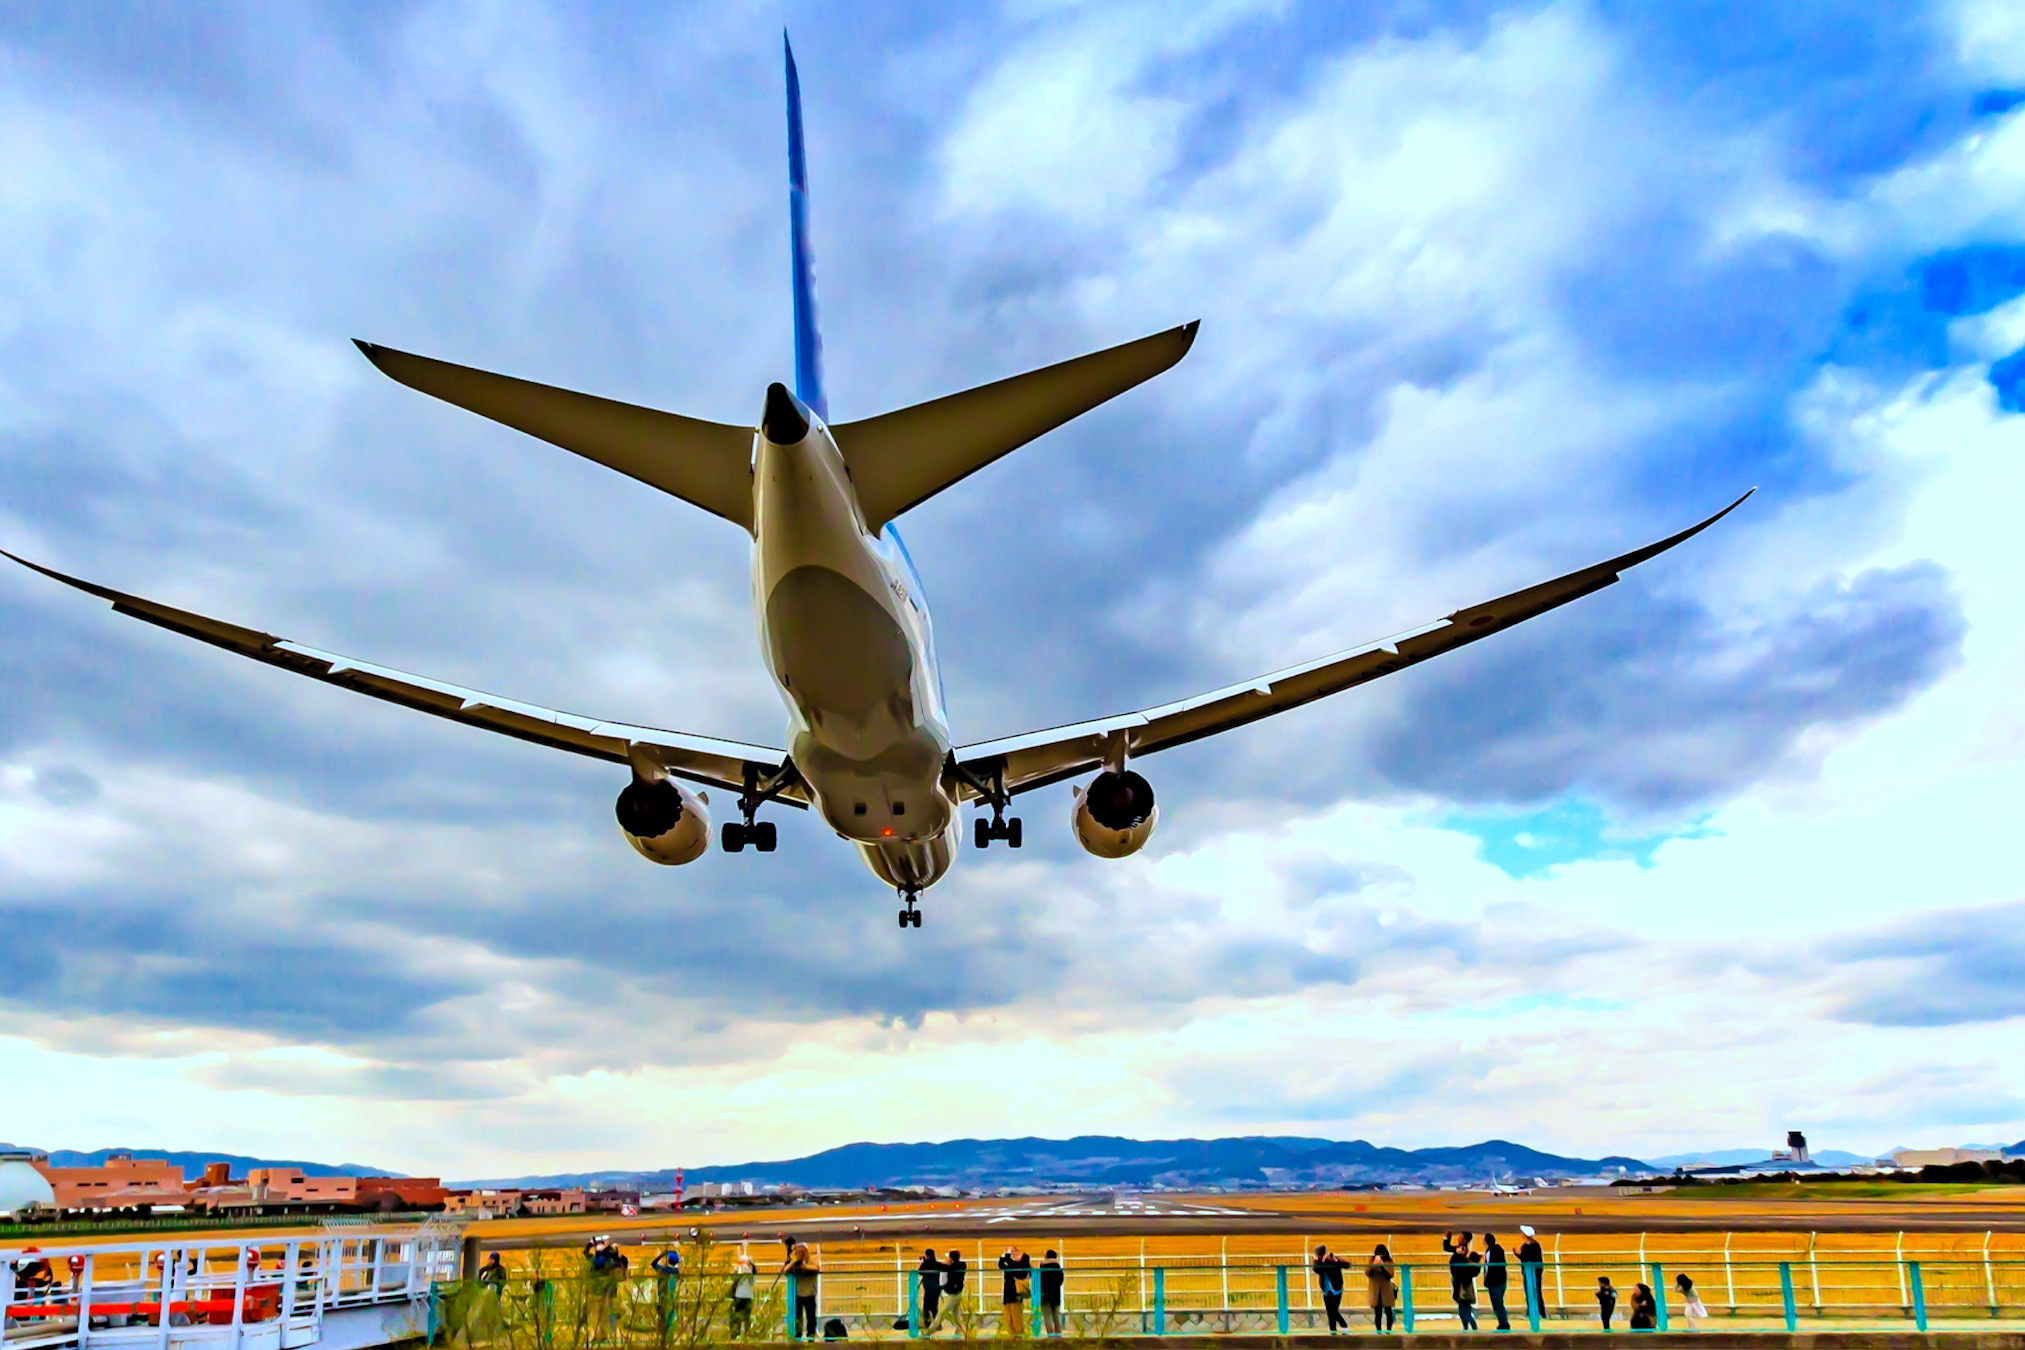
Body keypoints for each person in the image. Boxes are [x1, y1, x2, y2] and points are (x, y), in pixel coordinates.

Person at [784, 1243, 821, 1340]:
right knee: (798, 1317)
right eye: (798, 1252)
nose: (800, 1254)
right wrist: (793, 1263)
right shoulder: (795, 1262)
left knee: (811, 1317)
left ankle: (811, 1336)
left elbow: (816, 1268)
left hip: (809, 1294)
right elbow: (785, 1271)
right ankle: (797, 1335)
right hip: (798, 1294)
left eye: (802, 1252)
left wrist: (805, 1266)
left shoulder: (812, 1260)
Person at [1445, 1232, 1480, 1331]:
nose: (1459, 1238)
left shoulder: (1462, 1249)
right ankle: (1468, 1326)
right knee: (1464, 1306)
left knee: (1463, 1306)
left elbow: (1448, 1248)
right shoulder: (1463, 1250)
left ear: (1465, 1239)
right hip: (1462, 1281)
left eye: (1461, 1236)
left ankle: (1471, 1326)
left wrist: (1446, 1239)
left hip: (1461, 1282)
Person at [1311, 1245, 1349, 1333]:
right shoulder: (1318, 1262)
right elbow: (1317, 1270)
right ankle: (1333, 1330)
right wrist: (1322, 1261)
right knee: (1329, 1312)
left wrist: (1334, 1260)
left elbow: (1347, 1265)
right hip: (1326, 1290)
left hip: (1336, 1289)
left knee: (1334, 1311)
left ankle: (1344, 1326)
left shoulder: (1333, 1259)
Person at [997, 1246, 1031, 1336]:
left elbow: (1007, 1262)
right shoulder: (1013, 1266)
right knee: (1008, 1317)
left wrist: (1008, 1253)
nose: (1016, 1255)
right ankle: (1012, 1334)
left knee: (1016, 1317)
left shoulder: (1021, 1269)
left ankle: (1019, 1335)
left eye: (1020, 1255)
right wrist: (1004, 1254)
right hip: (1008, 1294)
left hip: (1015, 1295)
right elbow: (1001, 1264)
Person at [1366, 1245, 1398, 1333]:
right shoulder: (1371, 1260)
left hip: (1386, 1289)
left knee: (1388, 1311)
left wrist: (1382, 1266)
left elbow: (1390, 1275)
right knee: (1378, 1312)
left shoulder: (1389, 1261)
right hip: (1375, 1290)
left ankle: (1389, 1330)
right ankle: (1378, 1331)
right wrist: (1374, 1265)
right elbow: (1368, 1272)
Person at [1516, 1228, 1545, 1323]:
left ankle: (1534, 1313)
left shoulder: (1528, 1246)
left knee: (1531, 1292)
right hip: (1534, 1271)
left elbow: (1525, 1258)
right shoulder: (1535, 1245)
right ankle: (1539, 1312)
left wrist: (1518, 1255)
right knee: (1535, 1292)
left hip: (1530, 1272)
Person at [1482, 1233, 1510, 1332]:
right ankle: (1503, 1322)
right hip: (1502, 1280)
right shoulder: (1500, 1250)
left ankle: (1504, 1323)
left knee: (1497, 1304)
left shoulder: (1490, 1251)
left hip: (1494, 1282)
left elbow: (1488, 1267)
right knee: (1499, 1303)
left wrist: (1486, 1280)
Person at [1037, 1251, 1064, 1338]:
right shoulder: (1058, 1267)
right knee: (1056, 1315)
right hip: (1056, 1295)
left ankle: (1051, 1334)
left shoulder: (1043, 1267)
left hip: (1045, 1294)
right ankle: (1058, 1333)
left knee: (1047, 1315)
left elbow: (1039, 1281)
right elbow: (1060, 1280)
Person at [917, 1249, 944, 1334]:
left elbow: (920, 1272)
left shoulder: (926, 1264)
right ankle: (937, 1324)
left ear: (927, 1255)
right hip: (937, 1288)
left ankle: (927, 1324)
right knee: (935, 1307)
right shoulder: (937, 1264)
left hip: (928, 1288)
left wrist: (924, 1262)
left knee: (927, 1307)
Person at [730, 1254, 756, 1338]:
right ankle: (735, 1334)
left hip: (747, 1296)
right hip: (738, 1295)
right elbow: (733, 1278)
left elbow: (752, 1280)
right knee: (737, 1317)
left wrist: (749, 1268)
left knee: (747, 1317)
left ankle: (746, 1335)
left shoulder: (750, 1271)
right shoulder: (737, 1270)